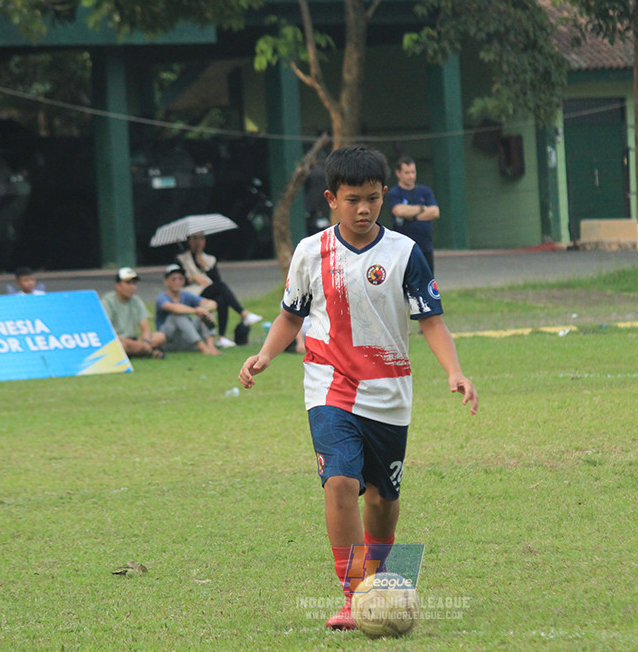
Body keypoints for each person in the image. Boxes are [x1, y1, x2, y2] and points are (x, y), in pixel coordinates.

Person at [238, 145, 479, 630]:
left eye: (372, 198)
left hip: (389, 394)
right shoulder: (311, 252)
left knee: (381, 499)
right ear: (331, 198)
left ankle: (379, 572)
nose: (364, 209)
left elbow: (431, 322)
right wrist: (265, 355)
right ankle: (354, 594)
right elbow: (291, 315)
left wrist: (454, 370)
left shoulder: (405, 253)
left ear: (385, 195)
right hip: (329, 386)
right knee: (341, 484)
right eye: (352, 200)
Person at [176, 232, 262, 349]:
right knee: (221, 287)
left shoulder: (209, 259)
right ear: (189, 241)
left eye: (201, 238)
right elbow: (176, 280)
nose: (198, 242)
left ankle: (221, 337)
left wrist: (206, 267)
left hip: (208, 289)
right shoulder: (182, 259)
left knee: (222, 299)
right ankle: (243, 313)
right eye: (195, 238)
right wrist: (192, 278)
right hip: (192, 293)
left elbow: (215, 279)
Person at [386, 155, 440, 273]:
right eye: (407, 173)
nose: (411, 176)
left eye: (413, 172)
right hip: (403, 248)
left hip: (425, 246)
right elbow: (398, 211)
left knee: (427, 280)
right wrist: (422, 208)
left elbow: (435, 212)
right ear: (398, 173)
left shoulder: (425, 191)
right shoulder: (394, 193)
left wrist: (411, 216)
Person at [155, 264, 222, 356]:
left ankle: (210, 346)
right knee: (177, 316)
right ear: (166, 282)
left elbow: (212, 303)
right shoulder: (162, 297)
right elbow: (172, 307)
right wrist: (196, 311)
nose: (177, 282)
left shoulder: (185, 294)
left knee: (205, 311)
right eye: (173, 279)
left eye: (180, 279)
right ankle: (202, 346)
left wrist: (205, 310)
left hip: (186, 338)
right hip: (169, 341)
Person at [100, 267, 166, 359]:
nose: (132, 287)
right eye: (128, 283)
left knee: (160, 336)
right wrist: (137, 345)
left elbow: (145, 326)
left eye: (134, 284)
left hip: (135, 339)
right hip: (118, 339)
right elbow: (107, 331)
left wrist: (146, 342)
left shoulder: (136, 300)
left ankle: (139, 351)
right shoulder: (108, 301)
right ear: (118, 285)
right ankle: (146, 351)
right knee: (121, 346)